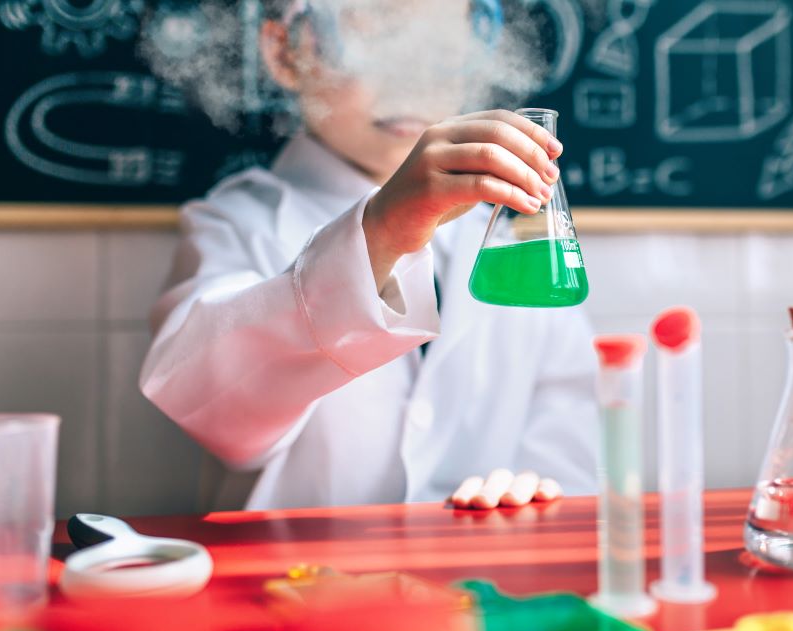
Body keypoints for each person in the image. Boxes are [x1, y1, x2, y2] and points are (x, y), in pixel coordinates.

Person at [139, 0, 599, 511]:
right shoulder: (236, 224)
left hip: (480, 586)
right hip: (298, 582)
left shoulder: (515, 250)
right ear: (286, 51)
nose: (410, 80)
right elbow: (205, 404)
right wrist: (381, 233)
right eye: (375, 36)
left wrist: (534, 492)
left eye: (442, 48)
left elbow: (573, 461)